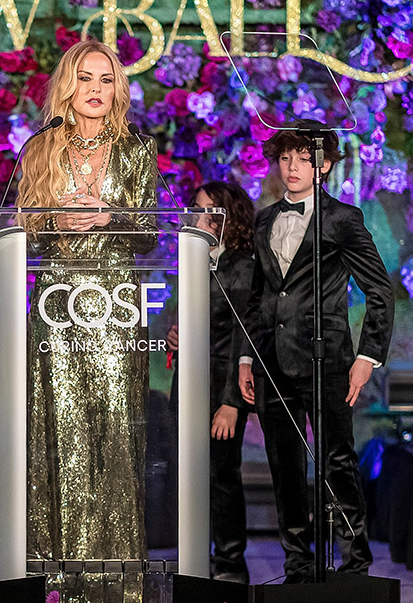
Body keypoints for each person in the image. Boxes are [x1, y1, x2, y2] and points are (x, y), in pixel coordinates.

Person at [17, 39, 158, 603]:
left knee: (116, 437)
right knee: (57, 432)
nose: (96, 89)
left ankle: (119, 579)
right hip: (57, 303)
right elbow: (17, 228)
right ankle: (53, 574)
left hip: (117, 302)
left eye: (106, 79)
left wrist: (114, 215)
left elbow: (149, 234)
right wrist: (51, 218)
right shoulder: (40, 147)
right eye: (86, 78)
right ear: (68, 87)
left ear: (117, 88)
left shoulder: (136, 151)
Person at [236, 120, 394, 582]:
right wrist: (247, 357)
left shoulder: (342, 219)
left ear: (324, 165)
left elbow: (380, 290)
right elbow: (256, 298)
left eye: (304, 159)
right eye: (285, 158)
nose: (292, 167)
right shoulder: (263, 219)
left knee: (336, 463)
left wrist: (367, 357)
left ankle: (355, 564)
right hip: (270, 360)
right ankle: (297, 566)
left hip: (326, 359)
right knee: (284, 468)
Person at [166, 180, 257, 584]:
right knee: (188, 475)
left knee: (222, 476)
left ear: (229, 217)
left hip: (222, 386)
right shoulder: (192, 258)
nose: (199, 216)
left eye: (210, 210)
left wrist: (232, 402)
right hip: (186, 384)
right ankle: (194, 558)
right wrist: (176, 333)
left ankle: (232, 562)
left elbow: (243, 336)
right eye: (197, 208)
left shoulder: (241, 264)